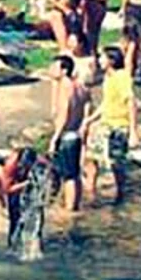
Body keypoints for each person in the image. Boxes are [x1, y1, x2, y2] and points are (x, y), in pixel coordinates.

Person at [84, 44, 137, 205]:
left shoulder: (122, 77)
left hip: (118, 125)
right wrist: (91, 119)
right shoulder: (108, 78)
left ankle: (121, 192)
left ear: (111, 61)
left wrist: (133, 130)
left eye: (102, 57)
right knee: (91, 157)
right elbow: (106, 103)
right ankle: (90, 191)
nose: (99, 60)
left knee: (116, 162)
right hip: (105, 124)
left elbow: (131, 103)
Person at [47, 55, 89, 212]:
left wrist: (55, 137)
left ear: (64, 70)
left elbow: (64, 113)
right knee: (74, 173)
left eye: (55, 67)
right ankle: (73, 205)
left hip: (66, 135)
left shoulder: (66, 86)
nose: (51, 69)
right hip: (75, 133)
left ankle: (70, 208)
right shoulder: (78, 86)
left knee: (68, 175)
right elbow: (87, 100)